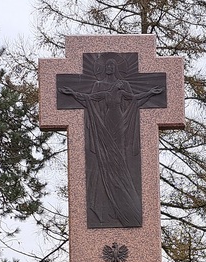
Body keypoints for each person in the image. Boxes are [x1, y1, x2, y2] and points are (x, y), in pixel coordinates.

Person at [60, 57, 163, 228]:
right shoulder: (103, 90)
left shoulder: (122, 90)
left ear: (115, 68)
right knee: (106, 161)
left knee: (120, 159)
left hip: (120, 124)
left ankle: (124, 203)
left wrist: (152, 92)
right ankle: (108, 205)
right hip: (105, 124)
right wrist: (70, 92)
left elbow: (136, 99)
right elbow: (88, 98)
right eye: (107, 64)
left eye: (111, 65)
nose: (108, 67)